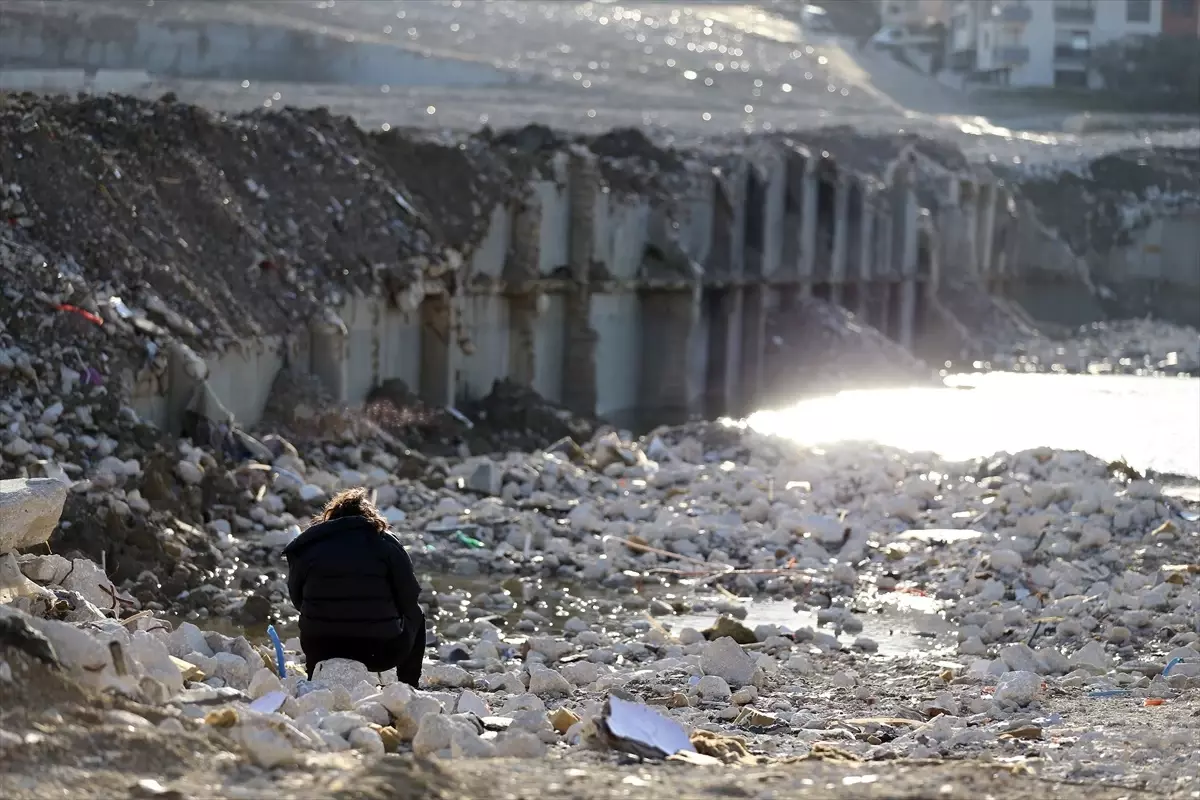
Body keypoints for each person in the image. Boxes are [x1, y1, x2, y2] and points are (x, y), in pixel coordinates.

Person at [283, 488, 425, 686]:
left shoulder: (309, 544)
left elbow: (297, 598)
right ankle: (408, 686)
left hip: (321, 648)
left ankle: (314, 679)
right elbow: (409, 597)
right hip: (379, 652)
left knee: (311, 619)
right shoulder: (385, 543)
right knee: (417, 614)